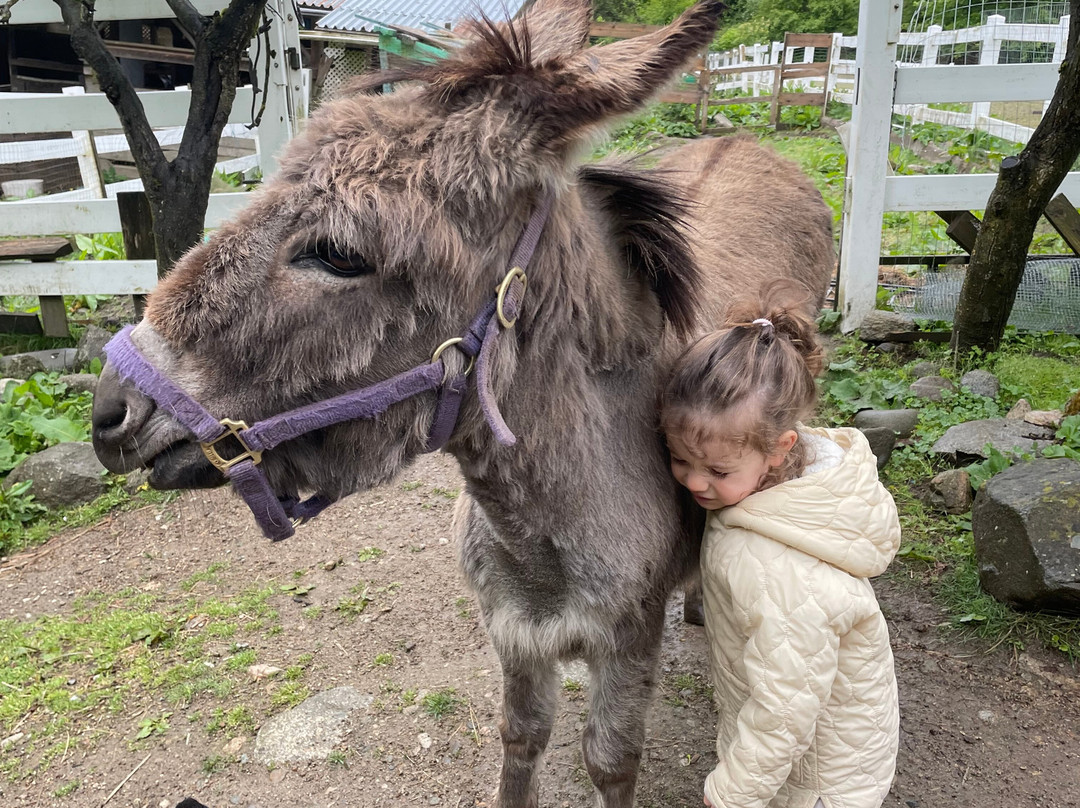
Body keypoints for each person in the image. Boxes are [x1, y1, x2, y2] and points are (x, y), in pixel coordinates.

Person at [660, 282, 902, 808]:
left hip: (819, 778)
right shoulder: (776, 491)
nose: (695, 482)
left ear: (779, 449)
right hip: (808, 747)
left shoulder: (784, 569)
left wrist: (730, 794)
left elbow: (784, 710)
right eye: (680, 459)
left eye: (717, 470)